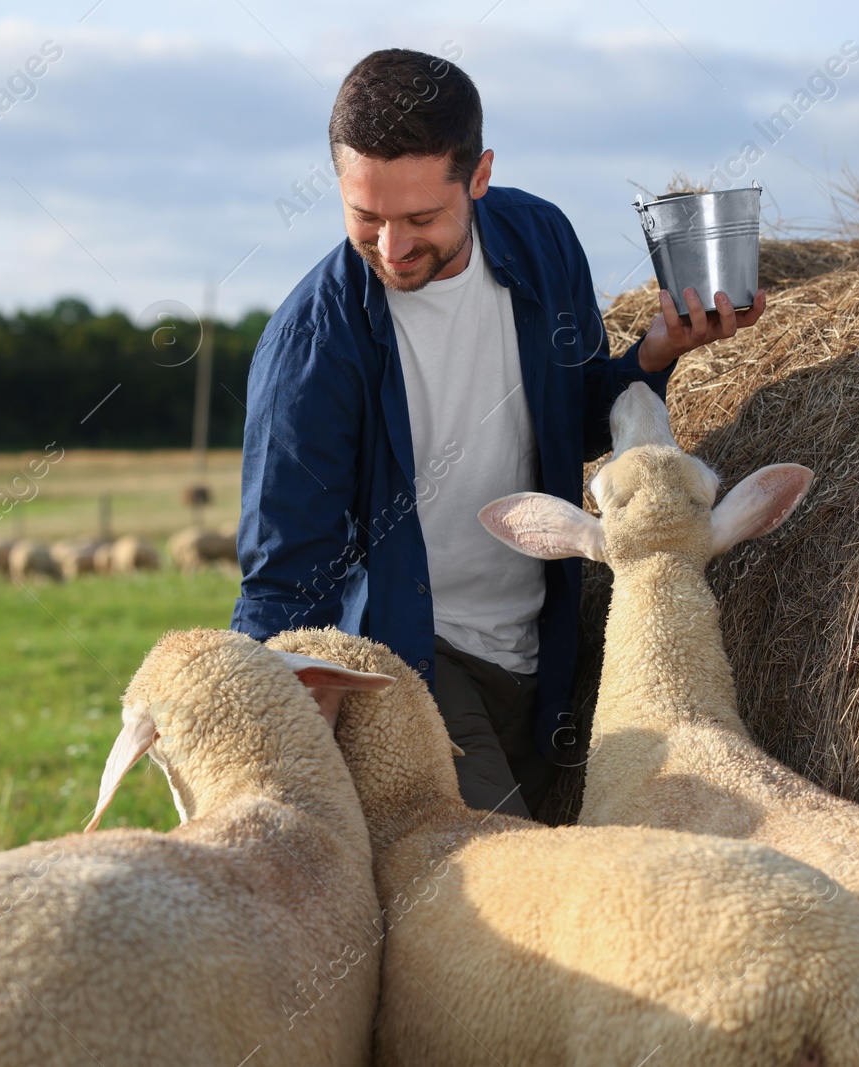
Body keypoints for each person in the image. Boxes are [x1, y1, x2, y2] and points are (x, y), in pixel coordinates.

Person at [230, 48, 765, 818]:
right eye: (365, 217)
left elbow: (572, 420)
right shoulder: (311, 348)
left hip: (547, 650)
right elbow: (284, 577)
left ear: (478, 176)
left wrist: (656, 352)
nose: (392, 248)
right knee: (516, 889)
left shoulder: (543, 244)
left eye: (420, 219)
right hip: (415, 664)